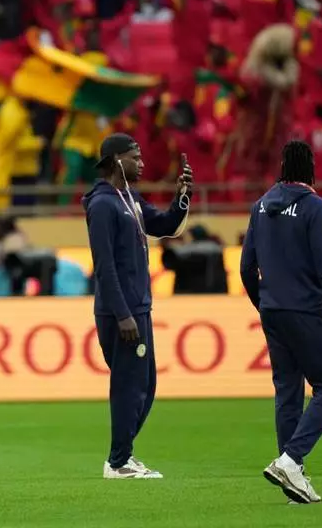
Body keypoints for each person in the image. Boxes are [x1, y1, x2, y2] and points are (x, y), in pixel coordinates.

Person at [239, 140, 322, 505]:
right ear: (311, 170)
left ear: (281, 167)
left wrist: (266, 305)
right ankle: (290, 461)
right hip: (306, 309)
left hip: (273, 310)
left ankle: (293, 480)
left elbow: (246, 267)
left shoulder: (260, 207)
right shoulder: (315, 208)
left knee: (287, 392)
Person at [82, 133, 191, 480]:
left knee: (146, 385)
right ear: (116, 161)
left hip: (138, 307)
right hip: (122, 312)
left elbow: (165, 225)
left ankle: (122, 456)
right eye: (135, 157)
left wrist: (182, 196)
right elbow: (104, 265)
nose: (142, 163)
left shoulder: (127, 197)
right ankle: (118, 462)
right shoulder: (102, 204)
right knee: (130, 385)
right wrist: (122, 313)